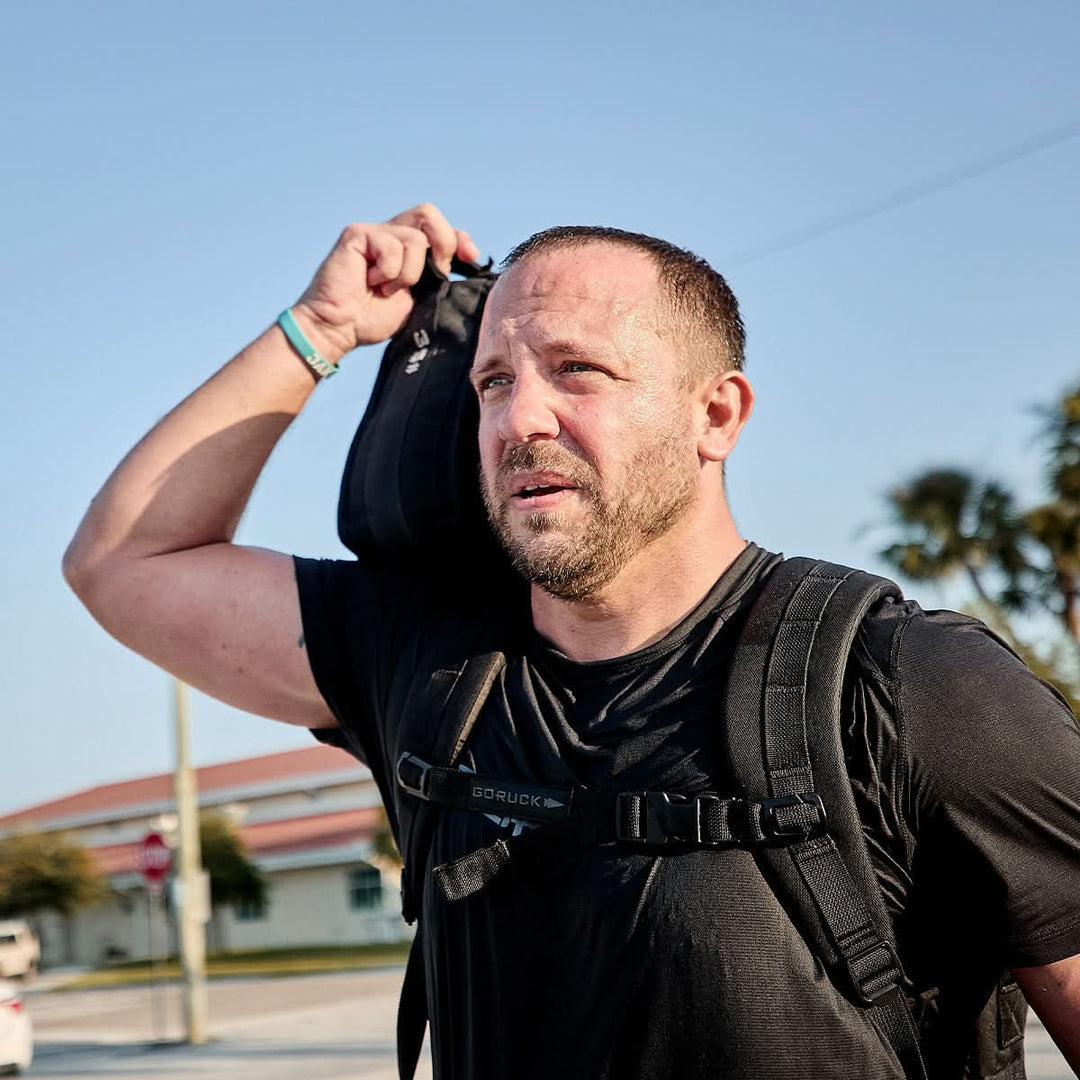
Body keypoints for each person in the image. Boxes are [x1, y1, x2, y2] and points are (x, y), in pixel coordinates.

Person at [64, 203, 1080, 1079]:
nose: (519, 419)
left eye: (577, 371)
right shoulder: (428, 664)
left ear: (715, 414)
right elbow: (122, 562)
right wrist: (321, 327)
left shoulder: (915, 687)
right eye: (494, 382)